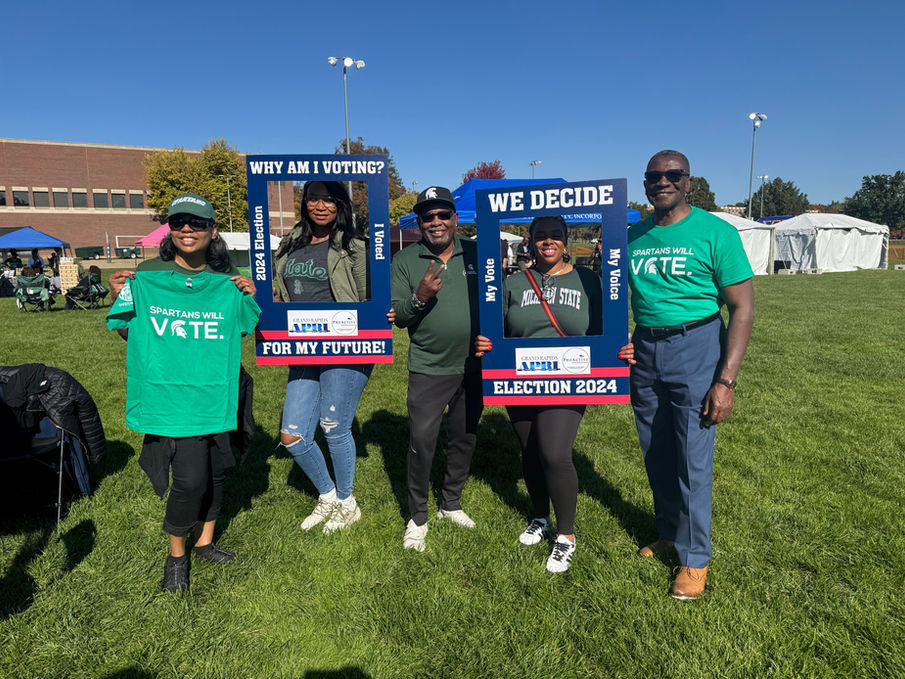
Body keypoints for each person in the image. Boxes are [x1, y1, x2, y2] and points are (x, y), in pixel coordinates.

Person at [107, 192, 260, 593]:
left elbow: (242, 330)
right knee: (190, 480)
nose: (187, 229)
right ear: (169, 230)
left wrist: (248, 295)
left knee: (217, 470)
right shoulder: (147, 275)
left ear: (213, 230)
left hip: (217, 391)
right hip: (173, 399)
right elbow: (128, 332)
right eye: (178, 223)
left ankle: (204, 542)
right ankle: (176, 556)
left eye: (196, 223)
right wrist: (117, 294)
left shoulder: (226, 278)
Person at [618, 150, 754, 600]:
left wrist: (726, 381)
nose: (663, 182)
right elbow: (616, 299)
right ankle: (670, 533)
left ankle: (695, 559)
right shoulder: (631, 237)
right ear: (645, 184)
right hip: (645, 350)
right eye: (654, 176)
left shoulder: (716, 232)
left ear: (688, 182)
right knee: (656, 451)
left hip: (696, 345)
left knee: (693, 457)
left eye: (673, 175)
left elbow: (742, 308)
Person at [475, 216, 601, 573]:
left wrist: (620, 349)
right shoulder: (513, 283)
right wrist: (486, 343)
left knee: (554, 453)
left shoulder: (587, 281)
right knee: (530, 450)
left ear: (566, 240)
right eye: (541, 236)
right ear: (530, 241)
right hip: (519, 378)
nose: (548, 242)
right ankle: (540, 516)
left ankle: (566, 536)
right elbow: (497, 329)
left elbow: (604, 331)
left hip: (569, 377)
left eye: (555, 236)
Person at [273, 180, 371, 534]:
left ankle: (347, 502)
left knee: (333, 426)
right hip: (303, 345)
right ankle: (328, 495)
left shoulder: (354, 246)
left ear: (340, 204)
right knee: (292, 436)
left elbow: (369, 297)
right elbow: (280, 292)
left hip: (345, 344)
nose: (320, 206)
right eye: (313, 198)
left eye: (329, 200)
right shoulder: (290, 242)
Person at [390, 186, 482, 551]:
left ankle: (451, 503)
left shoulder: (476, 252)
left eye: (444, 214)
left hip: (475, 364)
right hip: (429, 365)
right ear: (419, 222)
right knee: (422, 441)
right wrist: (421, 297)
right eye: (428, 216)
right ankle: (418, 515)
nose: (437, 222)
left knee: (464, 437)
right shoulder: (405, 259)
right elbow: (398, 316)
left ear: (456, 219)